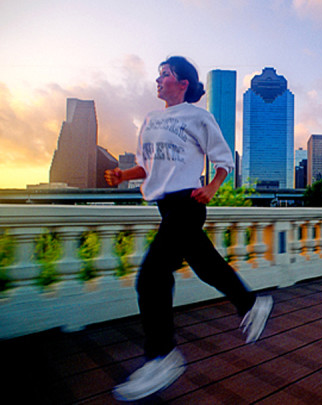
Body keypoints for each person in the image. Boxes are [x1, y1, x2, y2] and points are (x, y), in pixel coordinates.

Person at [105, 56, 273, 402]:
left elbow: (224, 159)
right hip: (167, 207)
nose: (158, 79)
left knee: (151, 276)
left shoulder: (199, 117)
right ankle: (251, 303)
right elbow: (148, 165)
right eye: (159, 74)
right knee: (207, 266)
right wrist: (124, 175)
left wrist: (212, 188)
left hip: (188, 204)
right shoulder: (150, 119)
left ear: (183, 84)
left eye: (165, 74)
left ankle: (162, 356)